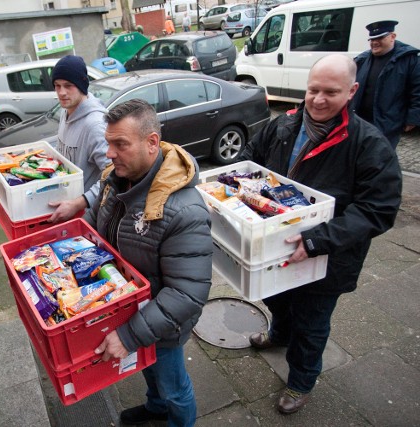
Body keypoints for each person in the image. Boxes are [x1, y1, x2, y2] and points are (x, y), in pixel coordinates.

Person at [242, 54, 402, 414]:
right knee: (276, 298)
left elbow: (379, 210)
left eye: (331, 92)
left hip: (328, 257)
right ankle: (280, 333)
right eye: (313, 90)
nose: (317, 100)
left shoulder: (370, 145)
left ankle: (300, 381)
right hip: (277, 245)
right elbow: (252, 156)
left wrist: (316, 241)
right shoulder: (283, 124)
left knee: (312, 322)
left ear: (352, 91)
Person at [89, 99, 212, 426]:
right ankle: (156, 408)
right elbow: (97, 213)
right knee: (148, 369)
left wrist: (129, 336)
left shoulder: (184, 210)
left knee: (174, 385)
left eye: (120, 145)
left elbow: (187, 293)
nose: (110, 153)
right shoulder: (118, 177)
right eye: (108, 143)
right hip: (131, 309)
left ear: (152, 143)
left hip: (163, 326)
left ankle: (178, 420)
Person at [47, 55, 112, 223]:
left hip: (89, 216)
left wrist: (78, 204)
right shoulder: (65, 113)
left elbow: (114, 178)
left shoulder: (95, 125)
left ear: (82, 85)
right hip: (65, 210)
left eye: (68, 86)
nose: (61, 92)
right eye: (57, 86)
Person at [351, 20, 420, 148]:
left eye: (380, 37)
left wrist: (413, 118)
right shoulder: (362, 59)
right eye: (371, 39)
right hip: (361, 121)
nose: (375, 42)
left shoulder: (410, 59)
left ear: (392, 37)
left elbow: (417, 90)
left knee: (381, 158)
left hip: (388, 123)